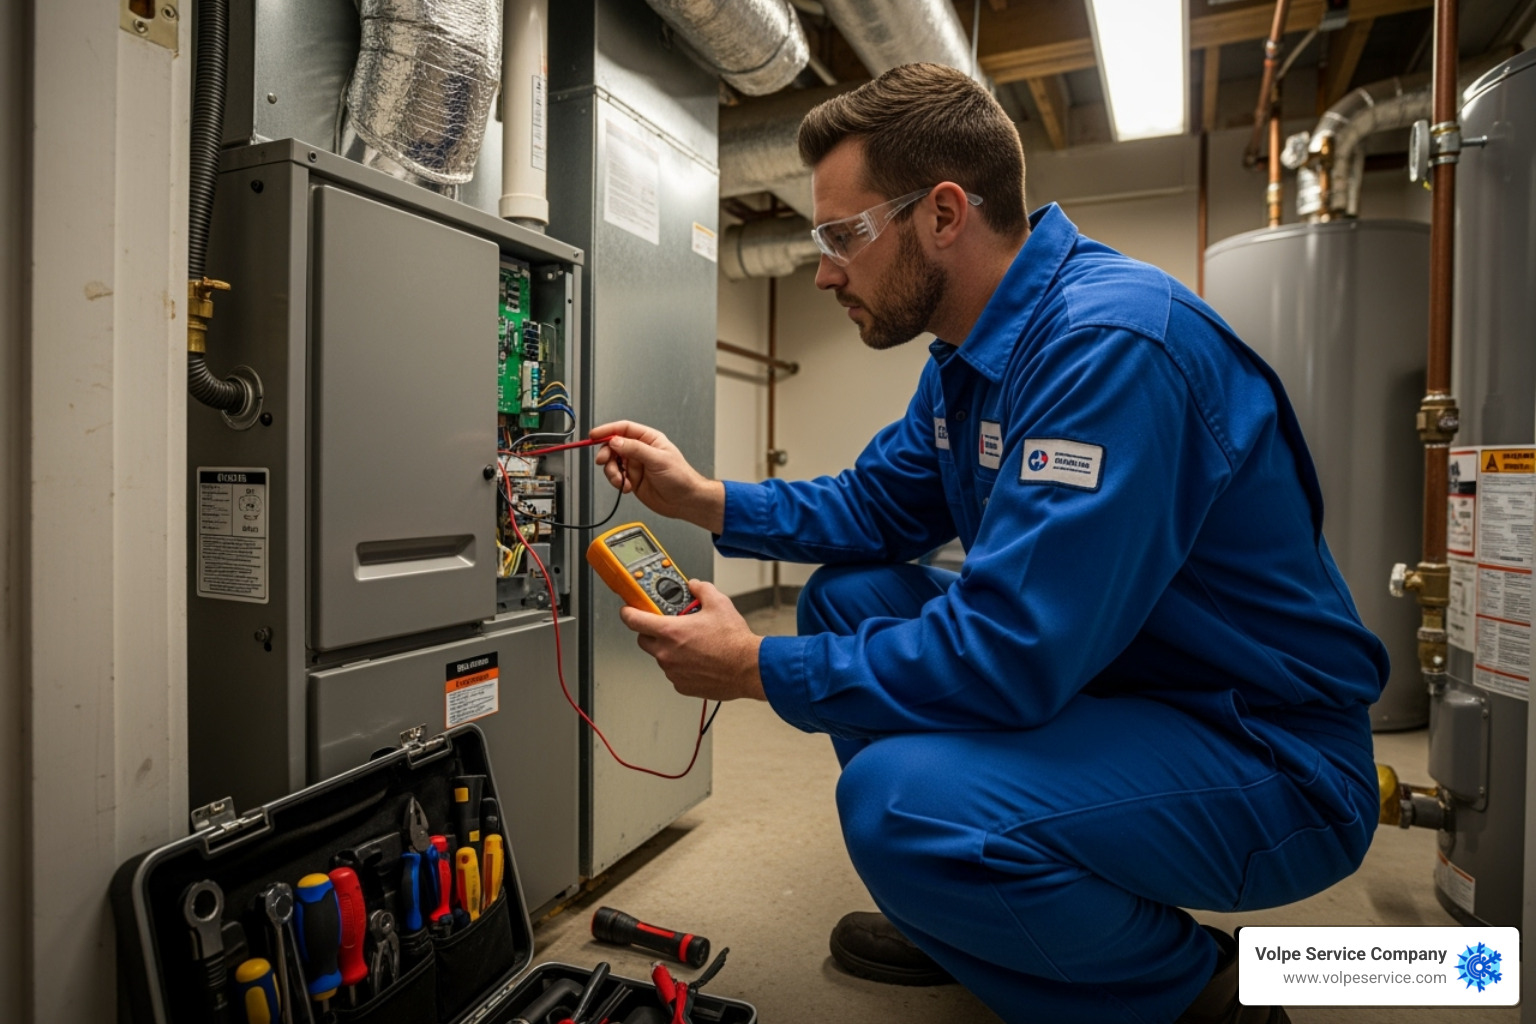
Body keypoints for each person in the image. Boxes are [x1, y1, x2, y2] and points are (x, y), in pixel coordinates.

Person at [591, 62, 1386, 1024]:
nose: (826, 269)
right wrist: (706, 499)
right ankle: (978, 916)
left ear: (944, 215)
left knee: (900, 806)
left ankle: (1191, 994)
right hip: (1129, 678)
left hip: (1263, 746)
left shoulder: (1109, 347)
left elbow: (1013, 651)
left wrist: (756, 665)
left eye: (843, 236)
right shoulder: (973, 359)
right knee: (852, 596)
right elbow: (874, 509)